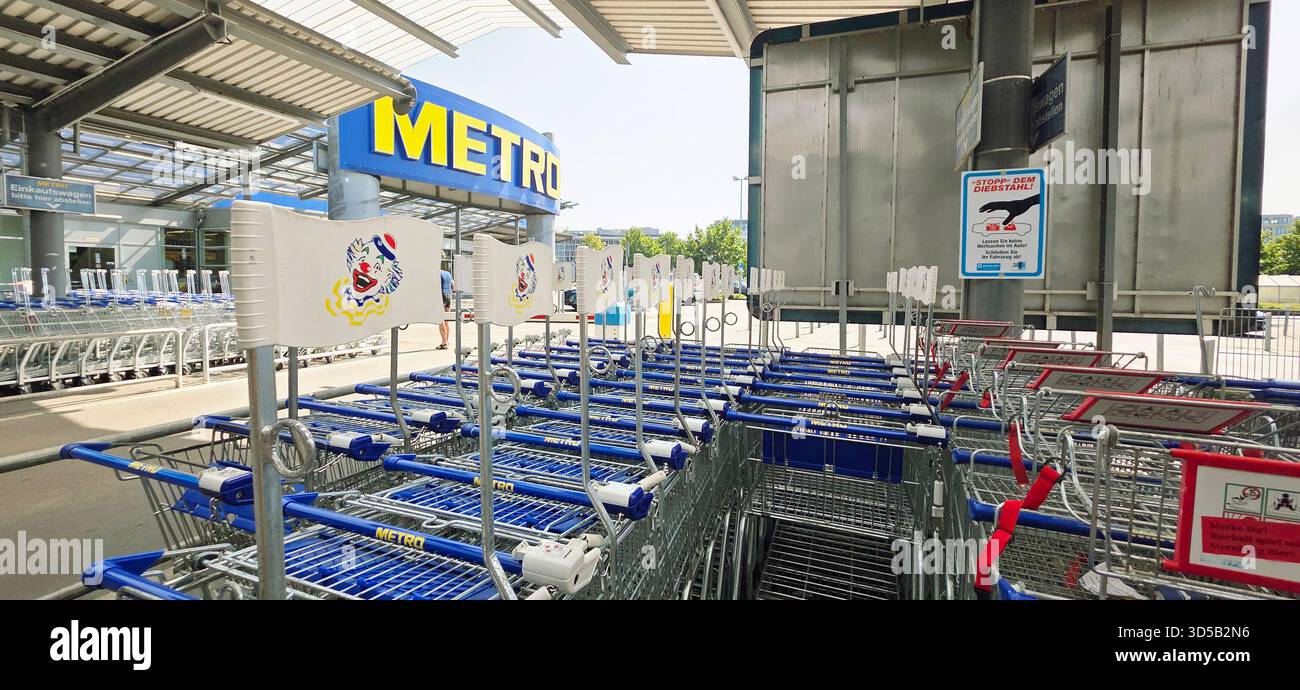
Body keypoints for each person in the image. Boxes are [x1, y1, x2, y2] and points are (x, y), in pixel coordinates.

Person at [438, 267, 454, 350]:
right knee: (447, 319)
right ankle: (447, 340)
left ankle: (444, 343)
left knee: (440, 319)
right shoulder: (447, 273)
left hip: (441, 295)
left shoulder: (437, 274)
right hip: (449, 295)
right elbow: (453, 286)